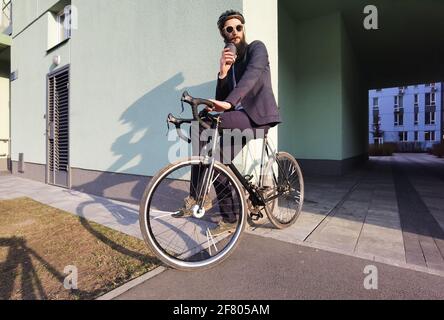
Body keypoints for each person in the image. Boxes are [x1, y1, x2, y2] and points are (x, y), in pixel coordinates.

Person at [174, 10, 281, 235]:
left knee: (209, 128)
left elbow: (251, 78)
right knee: (212, 151)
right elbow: (221, 99)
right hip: (235, 120)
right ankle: (227, 216)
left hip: (257, 118)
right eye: (229, 30)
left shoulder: (256, 49)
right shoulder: (230, 61)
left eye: (238, 28)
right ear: (224, 34)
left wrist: (230, 103)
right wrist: (223, 71)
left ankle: (198, 196)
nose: (234, 33)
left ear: (243, 29)